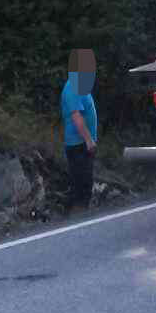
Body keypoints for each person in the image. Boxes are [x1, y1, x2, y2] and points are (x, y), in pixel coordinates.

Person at [62, 48, 99, 215]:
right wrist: (89, 140)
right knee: (81, 184)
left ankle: (81, 215)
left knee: (85, 183)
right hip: (78, 145)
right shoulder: (72, 88)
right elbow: (76, 117)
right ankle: (77, 217)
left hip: (82, 144)